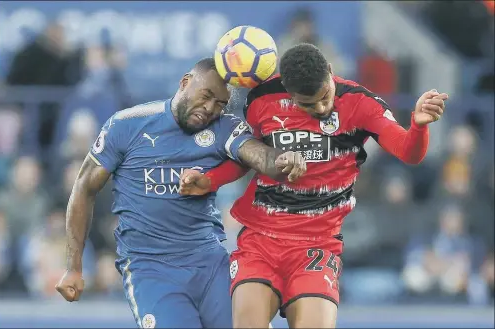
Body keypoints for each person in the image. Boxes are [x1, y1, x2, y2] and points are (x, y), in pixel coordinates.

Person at [179, 44, 449, 328]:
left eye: (325, 97)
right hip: (261, 240)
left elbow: (409, 152)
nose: (321, 108)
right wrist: (211, 180)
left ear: (330, 73)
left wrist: (418, 126)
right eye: (308, 104)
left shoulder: (361, 103)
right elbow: (250, 157)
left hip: (317, 246)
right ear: (288, 92)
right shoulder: (262, 100)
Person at [54, 58, 306, 328]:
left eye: (220, 104)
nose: (209, 108)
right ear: (185, 82)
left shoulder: (224, 128)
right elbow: (83, 188)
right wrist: (74, 267)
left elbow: (259, 156)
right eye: (206, 96)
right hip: (151, 269)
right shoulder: (127, 125)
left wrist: (283, 159)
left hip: (209, 262)